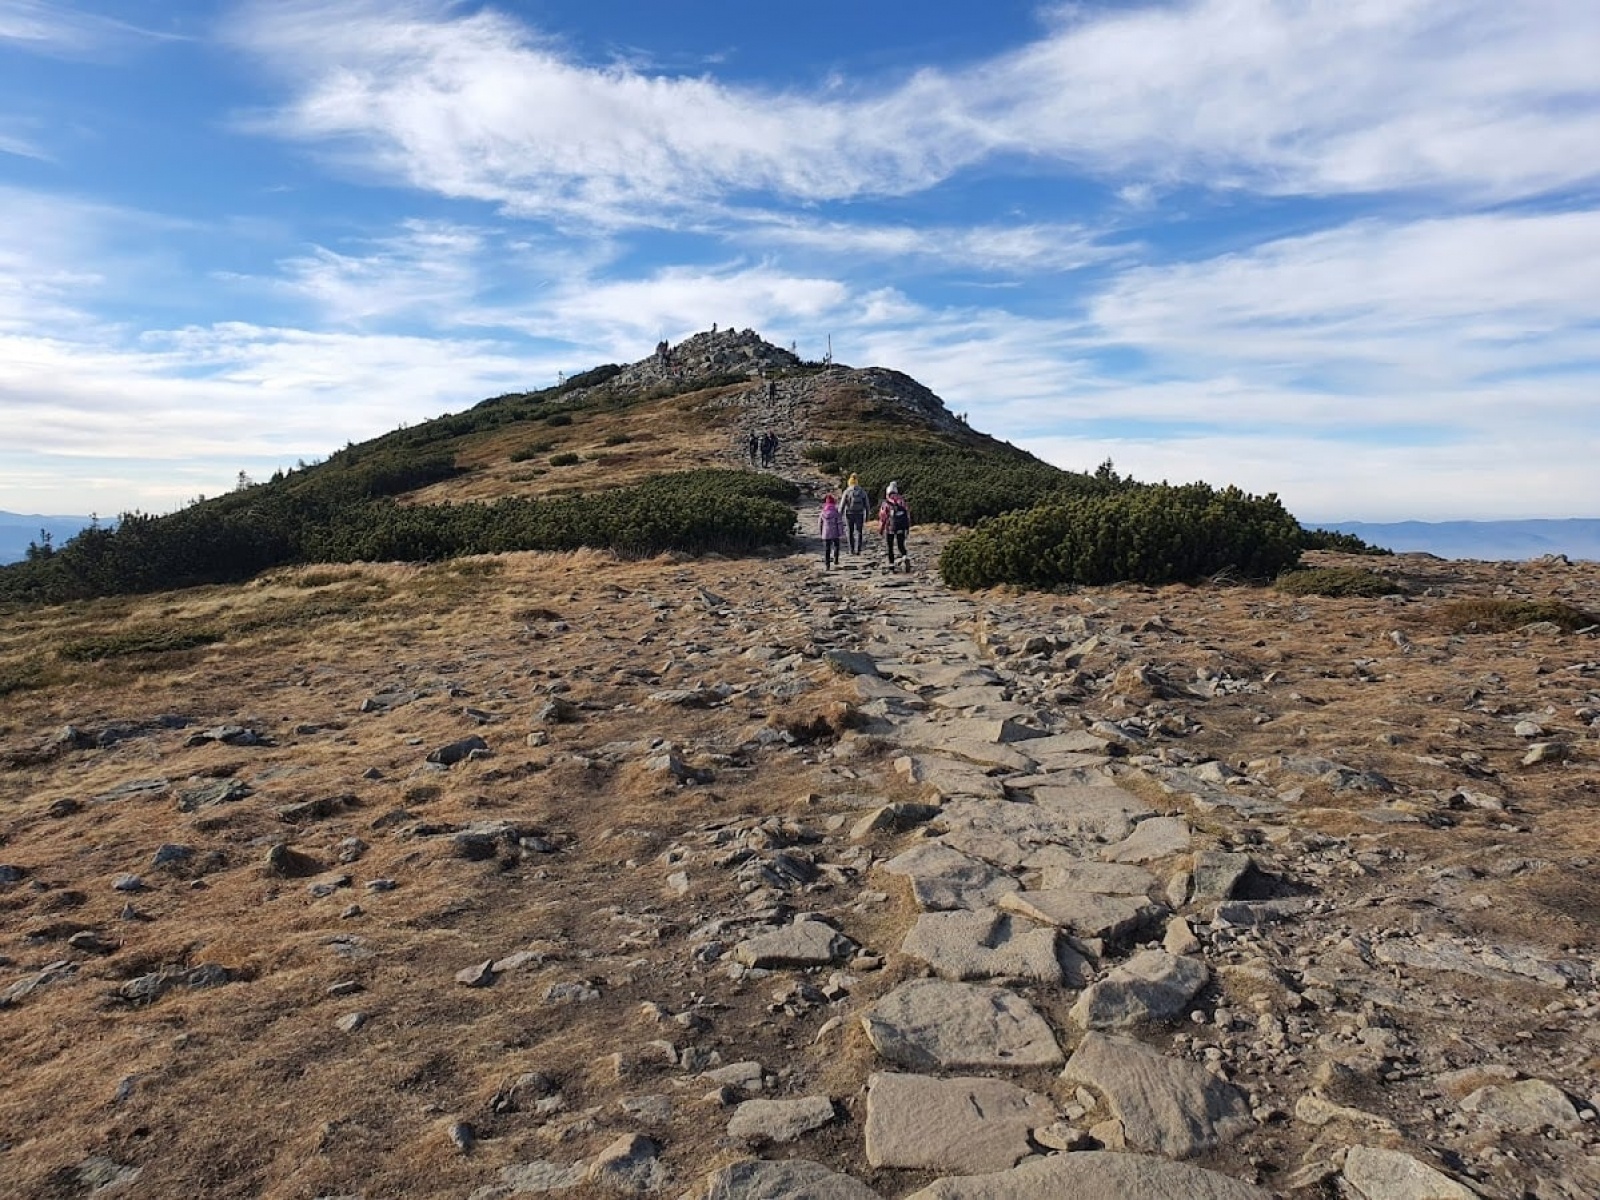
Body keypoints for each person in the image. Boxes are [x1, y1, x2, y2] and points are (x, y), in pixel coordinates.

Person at [878, 481, 912, 571]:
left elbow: (883, 517)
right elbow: (907, 514)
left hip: (890, 527)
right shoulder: (901, 501)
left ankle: (891, 564)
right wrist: (907, 527)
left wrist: (881, 529)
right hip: (901, 526)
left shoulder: (886, 503)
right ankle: (905, 556)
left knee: (890, 546)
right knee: (901, 544)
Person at [840, 473, 870, 554]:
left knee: (850, 531)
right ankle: (859, 550)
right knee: (859, 532)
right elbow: (867, 505)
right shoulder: (862, 491)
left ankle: (851, 550)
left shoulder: (847, 491)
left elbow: (842, 505)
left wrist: (839, 516)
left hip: (849, 513)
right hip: (860, 513)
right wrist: (867, 516)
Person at [819, 493, 844, 569]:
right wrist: (841, 533)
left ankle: (827, 565)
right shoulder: (836, 512)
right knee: (836, 546)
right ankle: (836, 559)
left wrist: (821, 532)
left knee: (827, 549)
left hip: (826, 533)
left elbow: (820, 523)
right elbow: (839, 523)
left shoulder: (823, 512)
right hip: (835, 533)